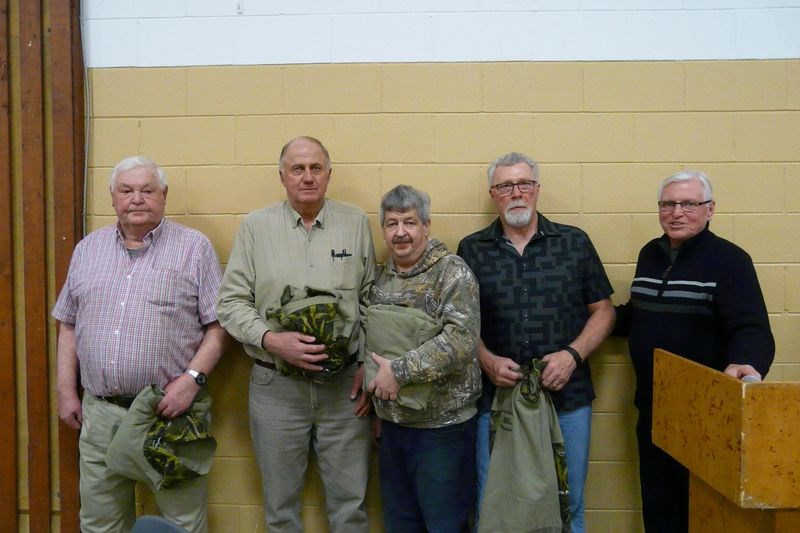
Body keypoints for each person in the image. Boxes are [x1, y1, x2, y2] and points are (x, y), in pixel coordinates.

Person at [53, 156, 228, 533]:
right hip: (100, 414)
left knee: (181, 523)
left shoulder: (194, 248)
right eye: (126, 190)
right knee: (100, 524)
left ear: (163, 196)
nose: (137, 199)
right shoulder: (87, 249)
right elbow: (68, 325)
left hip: (170, 413)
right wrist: (66, 391)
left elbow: (219, 327)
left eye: (147, 190)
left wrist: (191, 380)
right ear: (112, 197)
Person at [215, 136, 375, 532]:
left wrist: (369, 364)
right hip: (276, 388)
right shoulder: (255, 227)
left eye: (316, 168)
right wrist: (272, 340)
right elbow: (230, 303)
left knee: (350, 508)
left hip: (344, 390)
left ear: (329, 175)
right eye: (298, 169)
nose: (307, 177)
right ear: (282, 176)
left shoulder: (355, 224)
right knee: (281, 509)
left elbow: (373, 302)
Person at [457, 152, 615, 532]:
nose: (516, 193)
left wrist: (572, 356)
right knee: (492, 503)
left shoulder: (574, 243)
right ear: (493, 194)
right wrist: (487, 361)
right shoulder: (472, 249)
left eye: (524, 184)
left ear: (537, 190)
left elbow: (605, 311)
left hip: (567, 397)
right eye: (505, 186)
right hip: (496, 401)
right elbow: (459, 323)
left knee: (568, 503)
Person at [614, 170, 774, 532]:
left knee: (701, 510)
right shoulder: (650, 255)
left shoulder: (730, 260)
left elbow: (751, 327)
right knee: (658, 506)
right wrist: (588, 319)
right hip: (654, 408)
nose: (677, 212)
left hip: (706, 414)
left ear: (710, 209)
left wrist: (747, 363)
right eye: (668, 204)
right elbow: (637, 313)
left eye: (689, 204)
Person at [366, 185, 481, 532]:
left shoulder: (452, 272)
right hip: (394, 428)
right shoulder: (380, 278)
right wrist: (377, 409)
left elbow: (461, 340)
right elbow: (374, 345)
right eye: (391, 223)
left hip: (442, 432)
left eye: (410, 222)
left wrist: (399, 372)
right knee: (401, 524)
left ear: (427, 226)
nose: (400, 232)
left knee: (445, 524)